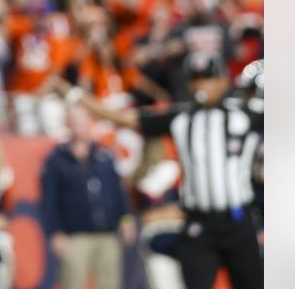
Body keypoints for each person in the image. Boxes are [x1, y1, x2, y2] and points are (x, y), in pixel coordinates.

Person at [51, 52, 263, 289]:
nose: (202, 84)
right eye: (196, 78)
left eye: (208, 78)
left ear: (223, 81)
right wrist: (74, 95)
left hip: (239, 221)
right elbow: (124, 119)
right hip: (199, 223)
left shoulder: (244, 117)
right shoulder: (180, 118)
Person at [39, 105, 135, 289]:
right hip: (76, 235)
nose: (77, 124)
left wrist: (126, 218)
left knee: (110, 284)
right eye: (72, 119)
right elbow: (49, 200)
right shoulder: (56, 160)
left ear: (89, 121)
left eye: (81, 119)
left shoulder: (104, 155)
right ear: (66, 123)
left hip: (107, 232)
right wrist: (55, 232)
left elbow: (118, 191)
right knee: (73, 282)